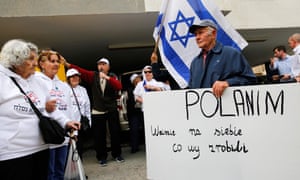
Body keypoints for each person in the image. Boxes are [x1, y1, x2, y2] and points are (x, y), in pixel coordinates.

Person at [0, 39, 79, 180]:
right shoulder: (2, 79)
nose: (35, 63)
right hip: (12, 153)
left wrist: (66, 122)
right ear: (15, 60)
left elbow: (50, 108)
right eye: (30, 59)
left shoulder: (37, 82)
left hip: (41, 148)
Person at [63, 57, 124, 166]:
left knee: (115, 132)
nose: (101, 66)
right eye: (99, 64)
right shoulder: (93, 75)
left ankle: (117, 154)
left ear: (108, 67)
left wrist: (106, 77)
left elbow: (119, 86)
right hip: (98, 110)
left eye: (103, 64)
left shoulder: (112, 77)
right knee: (99, 135)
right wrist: (67, 64)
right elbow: (81, 70)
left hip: (111, 109)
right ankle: (101, 157)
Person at [188, 19, 257, 97]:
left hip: (227, 107)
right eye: (195, 34)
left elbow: (250, 80)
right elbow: (191, 89)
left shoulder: (231, 54)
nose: (197, 37)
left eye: (200, 33)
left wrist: (228, 83)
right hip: (201, 108)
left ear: (213, 33)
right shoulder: (195, 62)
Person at [36, 50, 75, 180]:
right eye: (51, 61)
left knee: (60, 171)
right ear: (41, 64)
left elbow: (69, 109)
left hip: (62, 135)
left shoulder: (64, 86)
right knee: (48, 173)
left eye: (57, 61)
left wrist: (72, 132)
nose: (56, 64)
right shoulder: (35, 81)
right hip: (46, 136)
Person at [66, 68, 91, 159]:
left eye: (76, 76)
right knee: (70, 150)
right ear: (68, 79)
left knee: (79, 149)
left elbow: (87, 106)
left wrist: (89, 121)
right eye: (72, 77)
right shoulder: (65, 89)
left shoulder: (83, 90)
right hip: (70, 125)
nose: (75, 78)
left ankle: (80, 172)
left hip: (81, 124)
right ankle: (72, 173)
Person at [127, 73, 144, 153]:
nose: (140, 79)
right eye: (137, 78)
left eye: (140, 78)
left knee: (146, 129)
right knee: (134, 130)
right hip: (134, 113)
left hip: (144, 111)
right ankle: (134, 147)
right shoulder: (130, 90)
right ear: (134, 81)